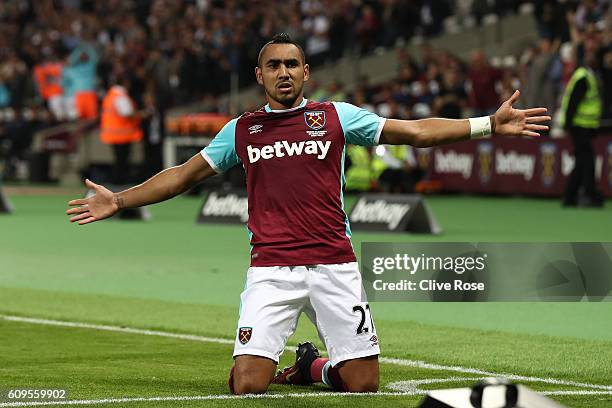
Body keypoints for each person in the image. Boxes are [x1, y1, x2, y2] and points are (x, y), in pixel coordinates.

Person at [66, 34, 550, 395]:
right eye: (274, 65)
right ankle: (257, 363)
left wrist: (487, 124)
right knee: (250, 386)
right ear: (260, 76)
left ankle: (308, 368)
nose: (283, 72)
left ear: (305, 72)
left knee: (363, 385)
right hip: (272, 269)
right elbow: (184, 175)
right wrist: (121, 200)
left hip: (335, 265)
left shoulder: (336, 117)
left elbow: (417, 132)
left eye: (292, 64)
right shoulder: (242, 129)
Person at [560, 52, 603, 207]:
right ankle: (590, 194)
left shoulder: (584, 75)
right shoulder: (584, 77)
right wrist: (569, 124)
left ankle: (570, 197)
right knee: (588, 161)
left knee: (581, 161)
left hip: (582, 125)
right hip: (580, 126)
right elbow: (573, 102)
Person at [100, 77, 143, 185]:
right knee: (122, 160)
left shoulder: (110, 95)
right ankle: (119, 182)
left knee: (118, 159)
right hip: (122, 134)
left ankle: (117, 181)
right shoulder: (121, 96)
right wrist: (142, 114)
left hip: (112, 133)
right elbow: (126, 112)